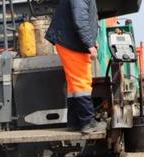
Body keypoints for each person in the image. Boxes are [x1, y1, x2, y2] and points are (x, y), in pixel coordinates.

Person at [45, 0, 105, 134]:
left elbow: (84, 18)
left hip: (69, 41)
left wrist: (92, 40)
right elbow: (80, 19)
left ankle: (75, 122)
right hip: (72, 43)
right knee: (81, 82)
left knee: (74, 85)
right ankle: (87, 122)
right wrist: (89, 44)